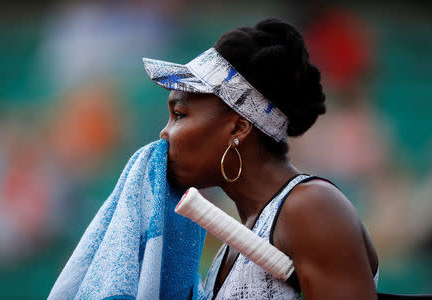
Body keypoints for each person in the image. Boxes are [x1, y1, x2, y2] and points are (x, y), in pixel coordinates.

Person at [143, 17, 379, 300]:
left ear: (238, 127)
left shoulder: (311, 209)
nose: (164, 134)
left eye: (179, 115)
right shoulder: (235, 241)